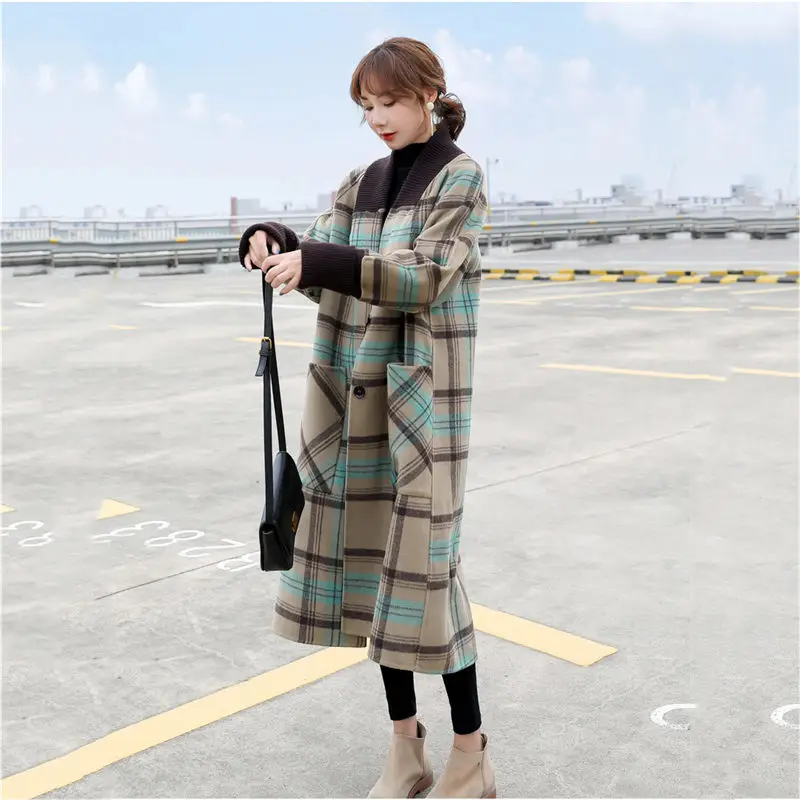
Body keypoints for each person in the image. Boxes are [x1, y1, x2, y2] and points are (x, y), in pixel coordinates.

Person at [239, 36, 496, 799]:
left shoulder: (460, 177)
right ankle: (405, 749)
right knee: (373, 580)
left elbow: (422, 276)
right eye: (367, 107)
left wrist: (319, 261)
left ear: (428, 94)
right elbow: (327, 260)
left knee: (428, 580)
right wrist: (277, 244)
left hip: (421, 407)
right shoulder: (362, 182)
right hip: (356, 401)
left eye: (389, 102)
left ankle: (471, 756)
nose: (378, 117)